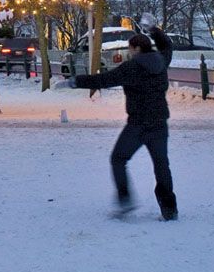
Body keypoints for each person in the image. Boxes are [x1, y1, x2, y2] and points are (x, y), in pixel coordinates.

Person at [58, 21, 178, 221]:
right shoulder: (161, 60)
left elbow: (102, 80)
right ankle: (169, 209)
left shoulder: (131, 68)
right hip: (159, 122)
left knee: (118, 159)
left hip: (138, 124)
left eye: (130, 48)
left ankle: (125, 200)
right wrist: (154, 30)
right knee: (161, 166)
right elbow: (167, 45)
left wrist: (74, 81)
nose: (129, 52)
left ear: (137, 49)